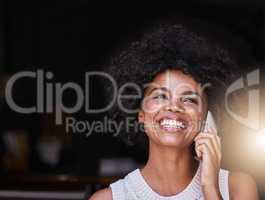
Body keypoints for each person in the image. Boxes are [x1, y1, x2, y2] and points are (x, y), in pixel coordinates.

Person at [90, 19, 259, 200]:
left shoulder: (237, 188)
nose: (173, 106)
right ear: (140, 114)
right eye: (160, 96)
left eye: (189, 99)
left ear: (206, 116)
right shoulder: (109, 198)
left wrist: (210, 186)